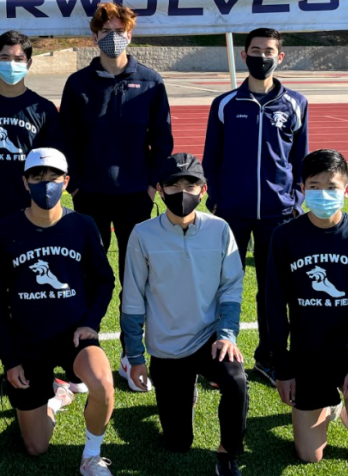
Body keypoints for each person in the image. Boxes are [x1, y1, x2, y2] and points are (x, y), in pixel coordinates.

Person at [59, 2, 173, 389]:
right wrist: (73, 184)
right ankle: (77, 354)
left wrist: (151, 183)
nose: (113, 35)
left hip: (134, 199)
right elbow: (66, 139)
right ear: (94, 35)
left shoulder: (151, 81)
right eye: (105, 29)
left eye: (120, 28)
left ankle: (131, 356)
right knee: (84, 276)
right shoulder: (78, 84)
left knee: (135, 278)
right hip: (88, 195)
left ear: (130, 32)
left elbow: (162, 140)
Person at [0, 148, 116, 476]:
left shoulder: (83, 226)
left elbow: (104, 280)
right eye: (37, 176)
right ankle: (56, 398)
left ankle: (91, 456)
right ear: (25, 181)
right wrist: (9, 359)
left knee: (102, 382)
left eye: (53, 177)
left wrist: (89, 322)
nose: (46, 183)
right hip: (28, 343)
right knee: (35, 447)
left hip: (73, 337)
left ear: (66, 180)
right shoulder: (5, 232)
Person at [121, 153, 248, 476]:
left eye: (190, 183)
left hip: (209, 338)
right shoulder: (143, 234)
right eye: (173, 184)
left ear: (203, 189)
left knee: (236, 380)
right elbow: (133, 299)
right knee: (177, 443)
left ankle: (228, 451)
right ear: (160, 190)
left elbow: (231, 287)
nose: (182, 191)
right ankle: (182, 391)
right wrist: (135, 355)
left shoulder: (219, 229)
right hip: (167, 347)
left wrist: (226, 334)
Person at [202, 27, 309, 384]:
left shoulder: (296, 103)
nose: (261, 56)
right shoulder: (225, 104)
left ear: (280, 57)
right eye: (255, 49)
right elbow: (211, 159)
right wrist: (217, 200)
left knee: (274, 292)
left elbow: (300, 159)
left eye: (269, 51)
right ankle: (216, 359)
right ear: (244, 55)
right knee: (222, 286)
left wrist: (294, 199)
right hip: (232, 212)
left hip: (277, 215)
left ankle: (270, 357)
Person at [265, 149, 348, 468]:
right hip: (307, 356)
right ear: (302, 190)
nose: (323, 193)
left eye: (331, 186)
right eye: (314, 186)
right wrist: (283, 366)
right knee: (309, 456)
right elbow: (274, 305)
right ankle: (320, 407)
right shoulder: (285, 237)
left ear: (346, 190)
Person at [0, 31, 62, 370]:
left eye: (19, 58)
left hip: (27, 216)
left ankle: (23, 360)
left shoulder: (43, 109)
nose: (12, 63)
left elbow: (51, 169)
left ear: (29, 63)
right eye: (6, 57)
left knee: (24, 295)